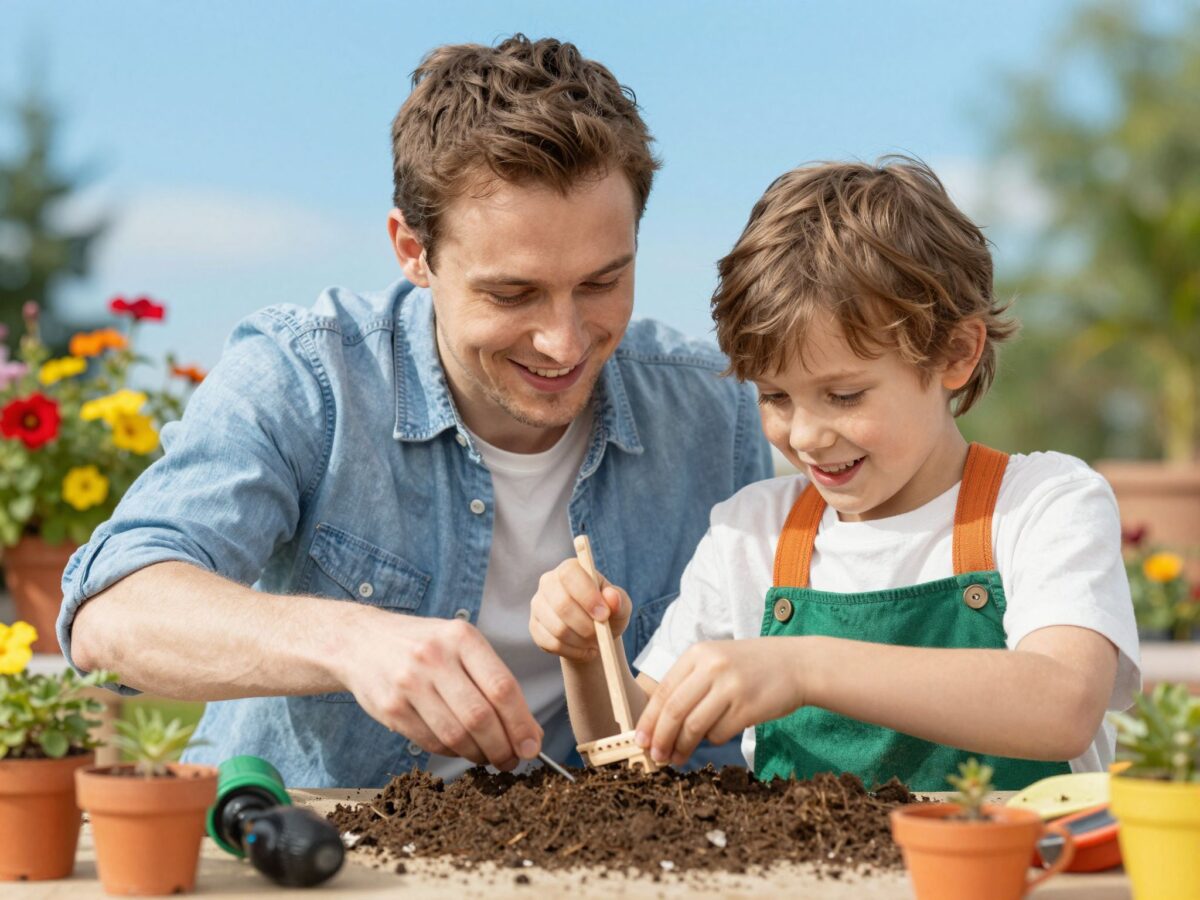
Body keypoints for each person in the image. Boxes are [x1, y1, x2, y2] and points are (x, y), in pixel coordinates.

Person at [58, 35, 772, 788]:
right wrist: (350, 642)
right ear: (412, 250)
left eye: (602, 283)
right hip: (305, 833)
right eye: (512, 293)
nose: (563, 342)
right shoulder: (308, 378)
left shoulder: (710, 410)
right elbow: (112, 613)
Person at [529, 157, 1141, 790]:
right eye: (775, 397)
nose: (805, 437)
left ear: (956, 354)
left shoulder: (1044, 505)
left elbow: (1063, 704)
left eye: (844, 396)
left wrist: (803, 668)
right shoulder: (751, 534)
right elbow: (642, 741)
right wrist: (588, 656)